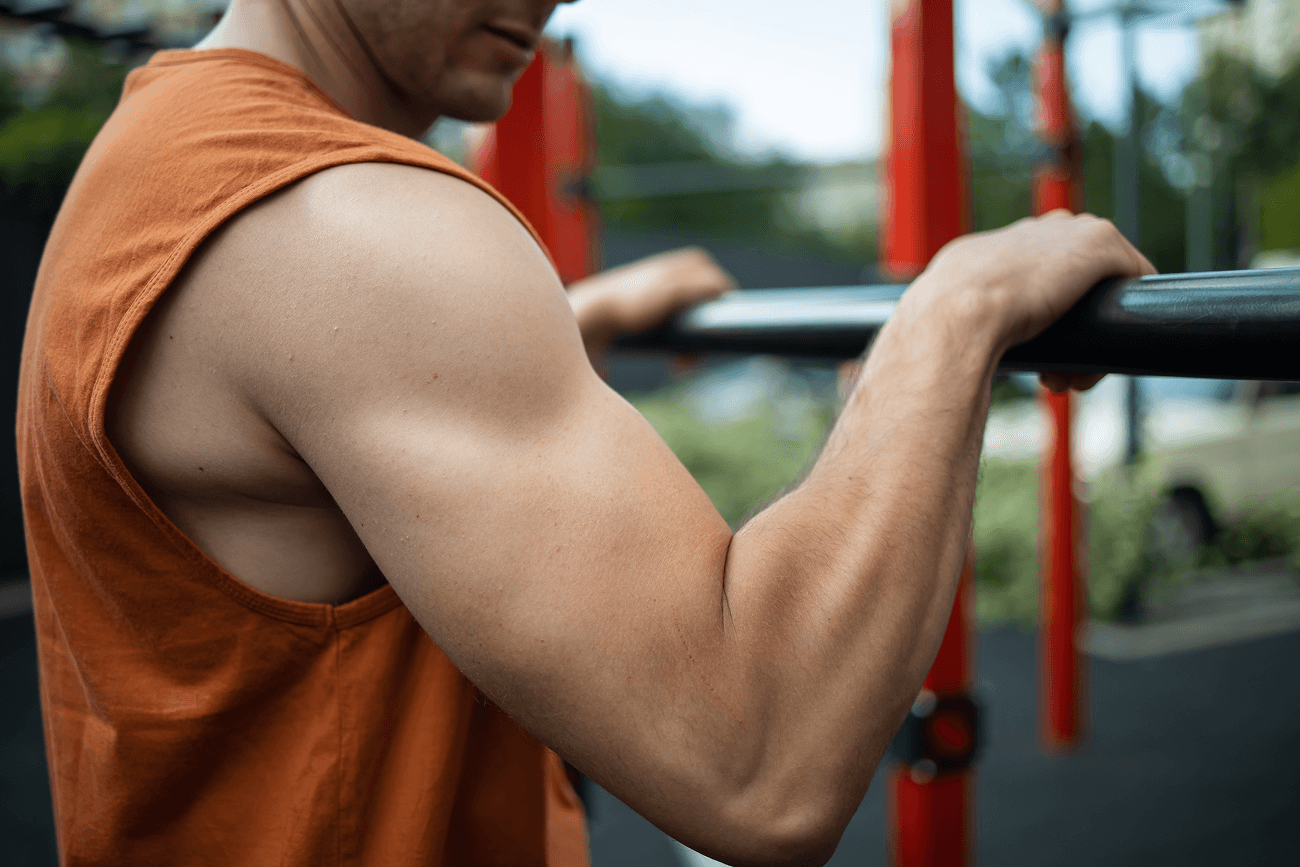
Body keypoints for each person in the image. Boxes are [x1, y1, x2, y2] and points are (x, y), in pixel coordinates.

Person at [16, 0, 1153, 864]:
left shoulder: (160, 161)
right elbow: (756, 757)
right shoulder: (336, 222)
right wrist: (954, 313)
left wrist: (562, 325)